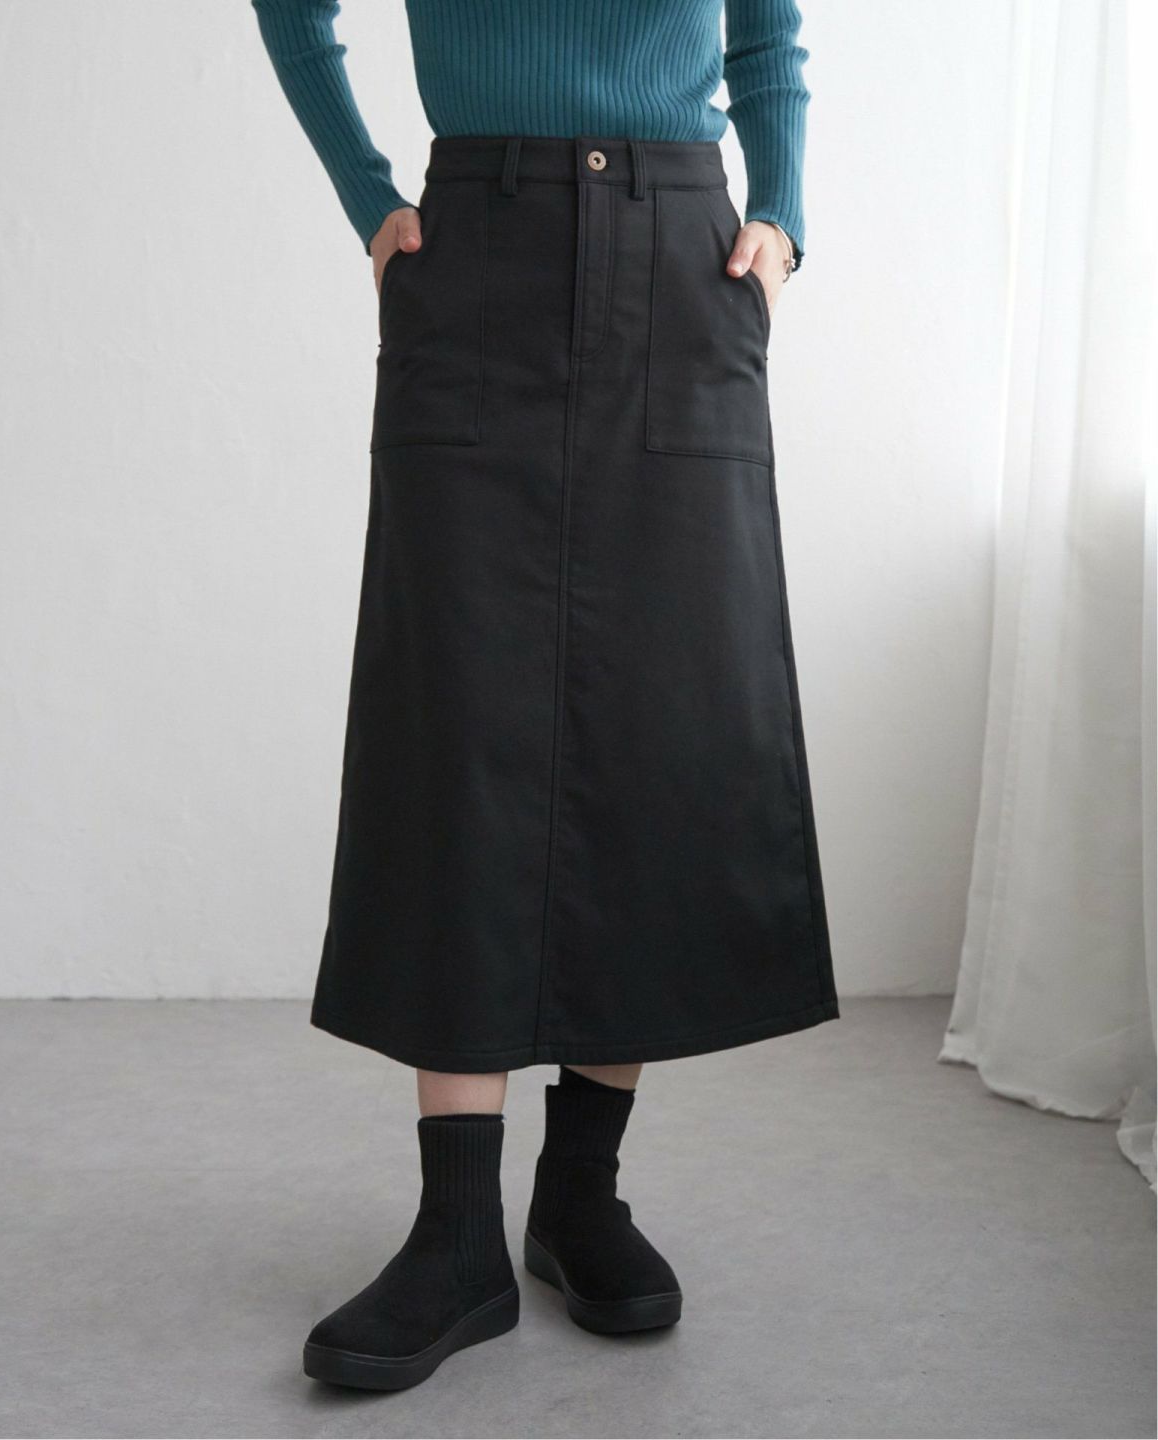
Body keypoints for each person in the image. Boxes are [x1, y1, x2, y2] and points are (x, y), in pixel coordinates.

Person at [251, 0, 839, 1391]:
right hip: (479, 246)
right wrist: (368, 195)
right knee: (456, 728)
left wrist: (781, 217)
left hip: (681, 250)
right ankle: (457, 1231)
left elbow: (766, 38)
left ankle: (579, 1196)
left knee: (655, 724)